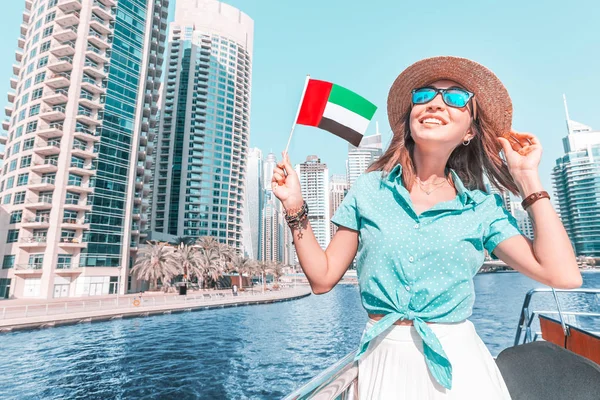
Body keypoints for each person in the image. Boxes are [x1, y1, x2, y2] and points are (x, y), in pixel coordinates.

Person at [271, 56, 582, 399]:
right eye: (424, 95)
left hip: (460, 367)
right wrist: (295, 206)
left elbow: (563, 275)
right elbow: (322, 277)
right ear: (410, 117)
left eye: (455, 97)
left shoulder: (479, 208)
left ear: (470, 132)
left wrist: (526, 177)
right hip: (383, 359)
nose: (435, 103)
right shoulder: (369, 190)